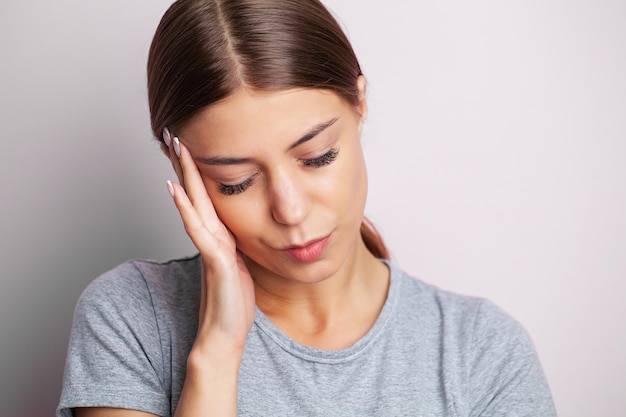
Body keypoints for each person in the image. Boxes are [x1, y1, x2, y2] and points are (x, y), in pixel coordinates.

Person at [57, 0, 557, 416]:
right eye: (235, 182)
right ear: (180, 163)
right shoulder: (130, 319)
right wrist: (217, 349)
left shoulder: (481, 351)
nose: (290, 210)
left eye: (318, 157)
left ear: (359, 104)